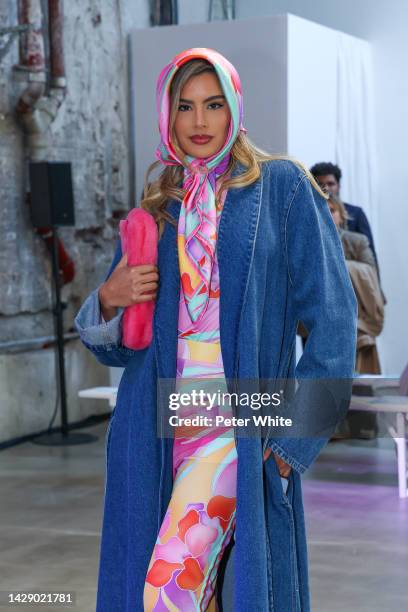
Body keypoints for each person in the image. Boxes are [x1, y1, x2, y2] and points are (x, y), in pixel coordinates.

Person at [75, 48, 357, 612]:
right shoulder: (159, 209)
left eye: (213, 105)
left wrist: (291, 445)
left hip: (238, 424)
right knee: (185, 591)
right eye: (185, 107)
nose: (199, 123)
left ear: (234, 110)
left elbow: (334, 319)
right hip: (153, 425)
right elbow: (117, 341)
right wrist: (106, 299)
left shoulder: (282, 187)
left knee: (168, 588)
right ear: (168, 116)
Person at [310, 161, 379, 272]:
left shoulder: (356, 213)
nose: (326, 188)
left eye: (330, 183)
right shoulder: (308, 214)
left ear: (338, 186)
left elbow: (371, 261)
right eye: (320, 184)